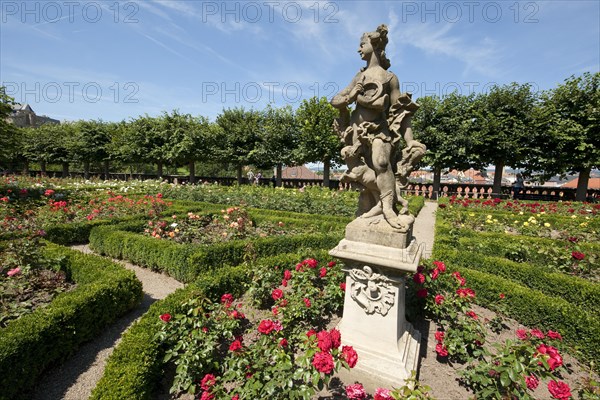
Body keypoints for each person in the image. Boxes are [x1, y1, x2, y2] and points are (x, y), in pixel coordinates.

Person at [330, 24, 425, 231]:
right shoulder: (359, 77)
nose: (359, 49)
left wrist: (410, 141)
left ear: (373, 45)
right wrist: (353, 96)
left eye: (361, 44)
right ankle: (378, 205)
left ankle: (388, 209)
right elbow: (335, 100)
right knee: (362, 172)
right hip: (355, 131)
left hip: (379, 129)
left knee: (381, 163)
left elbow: (402, 111)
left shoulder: (390, 78)